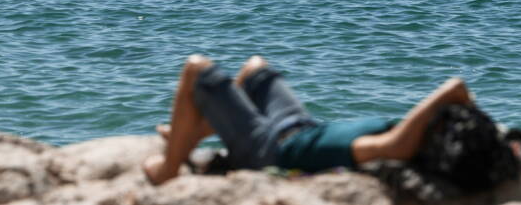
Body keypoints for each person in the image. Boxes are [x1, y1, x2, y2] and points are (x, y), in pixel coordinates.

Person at [143, 54, 475, 185]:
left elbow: (398, 146)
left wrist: (449, 91)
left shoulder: (389, 145)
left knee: (196, 68)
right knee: (255, 68)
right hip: (296, 126)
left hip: (269, 151)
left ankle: (169, 168)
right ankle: (193, 134)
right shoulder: (404, 130)